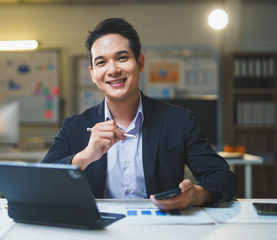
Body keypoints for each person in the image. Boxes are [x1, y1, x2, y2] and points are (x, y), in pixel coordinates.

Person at [42, 18, 237, 210]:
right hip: (96, 230)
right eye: (101, 63)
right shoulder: (73, 127)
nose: (113, 70)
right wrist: (85, 156)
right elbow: (40, 183)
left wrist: (195, 196)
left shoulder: (178, 121)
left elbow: (223, 178)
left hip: (160, 227)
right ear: (93, 74)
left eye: (122, 58)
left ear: (140, 62)